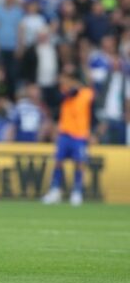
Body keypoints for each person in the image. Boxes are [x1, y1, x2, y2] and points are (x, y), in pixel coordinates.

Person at [41, 71, 94, 206]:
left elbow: (92, 97)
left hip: (79, 135)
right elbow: (53, 97)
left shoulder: (86, 94)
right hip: (65, 133)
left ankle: (77, 192)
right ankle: (55, 190)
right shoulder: (64, 94)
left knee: (79, 163)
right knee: (58, 161)